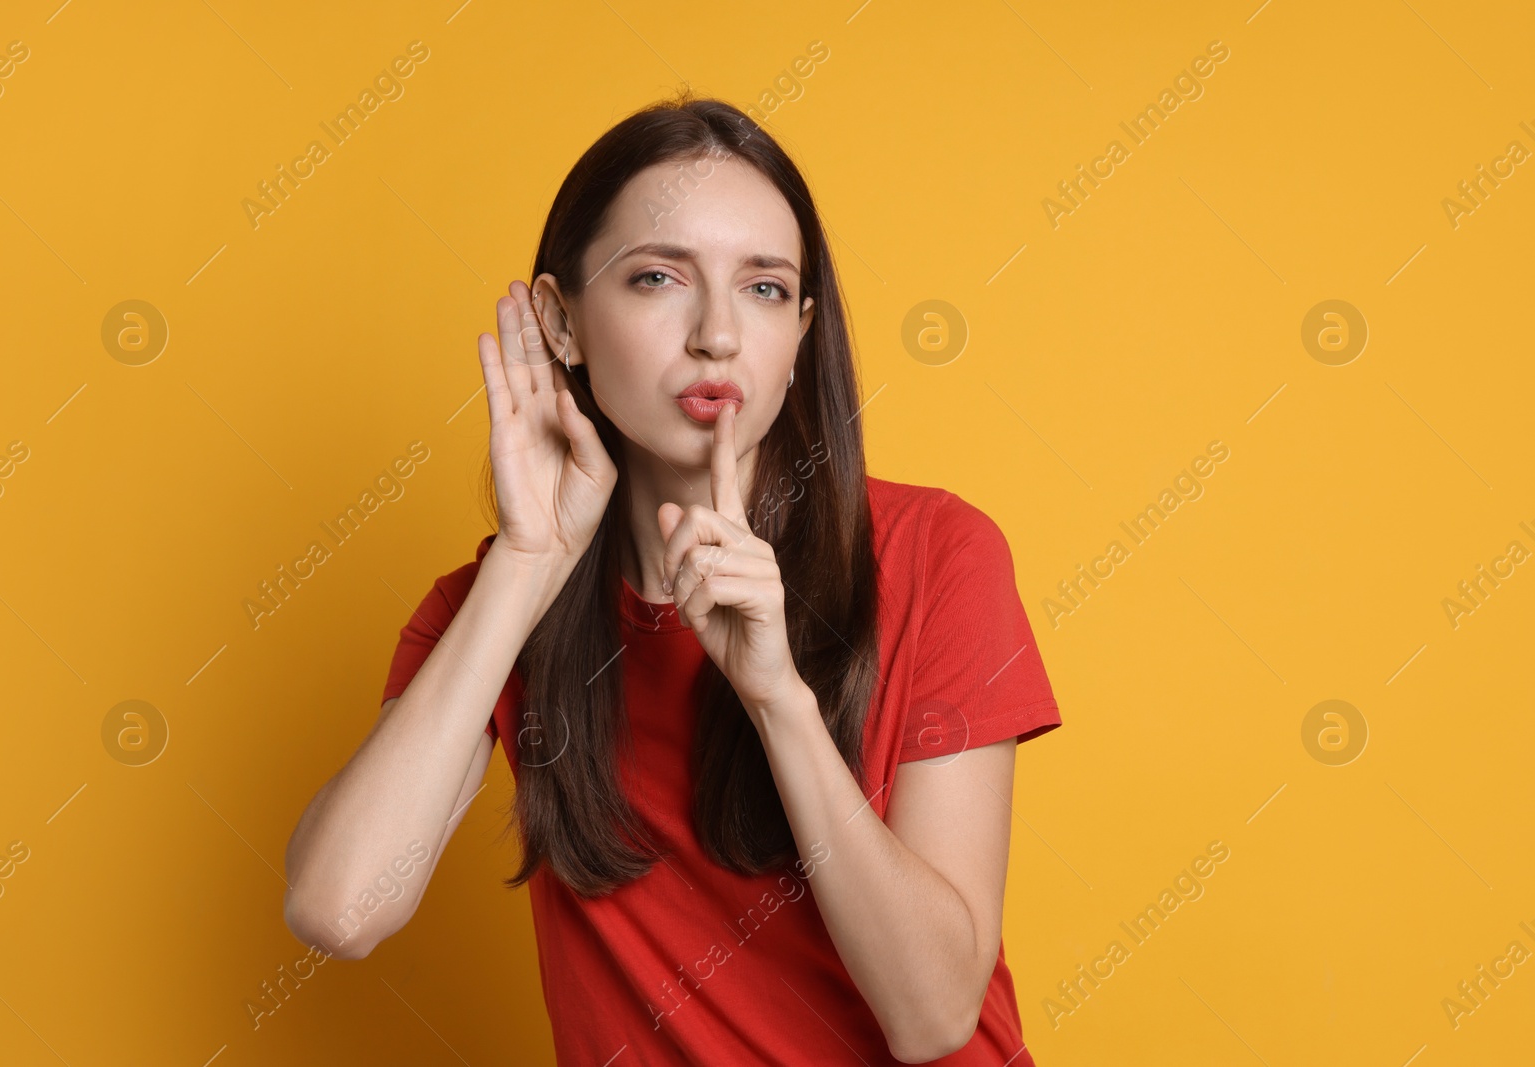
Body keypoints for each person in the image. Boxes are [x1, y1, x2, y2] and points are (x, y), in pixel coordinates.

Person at [283, 91, 1062, 1065]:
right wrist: (528, 563)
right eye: (657, 277)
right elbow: (338, 906)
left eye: (765, 289)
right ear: (560, 323)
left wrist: (775, 696)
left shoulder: (936, 552)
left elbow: (934, 1012)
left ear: (799, 337)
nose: (717, 334)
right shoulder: (497, 604)